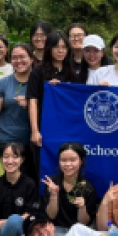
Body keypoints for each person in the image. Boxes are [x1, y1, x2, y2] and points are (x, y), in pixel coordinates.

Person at [27, 31, 77, 171]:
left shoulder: (72, 73)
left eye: (64, 47)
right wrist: (35, 131)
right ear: (49, 48)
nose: (61, 50)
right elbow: (32, 101)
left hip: (66, 129)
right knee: (43, 168)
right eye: (56, 47)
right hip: (44, 128)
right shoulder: (38, 71)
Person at [0, 43, 37, 184]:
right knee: (12, 180)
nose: (18, 61)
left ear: (31, 59)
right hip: (8, 138)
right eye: (14, 58)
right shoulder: (4, 83)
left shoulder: (40, 82)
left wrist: (29, 104)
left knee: (31, 180)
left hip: (32, 140)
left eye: (22, 57)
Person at [37, 142, 100, 236]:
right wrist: (54, 195)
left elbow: (84, 223)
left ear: (81, 161)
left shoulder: (88, 188)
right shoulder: (52, 183)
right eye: (63, 160)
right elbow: (51, 216)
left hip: (78, 233)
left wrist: (82, 208)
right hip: (55, 230)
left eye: (73, 160)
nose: (68, 164)